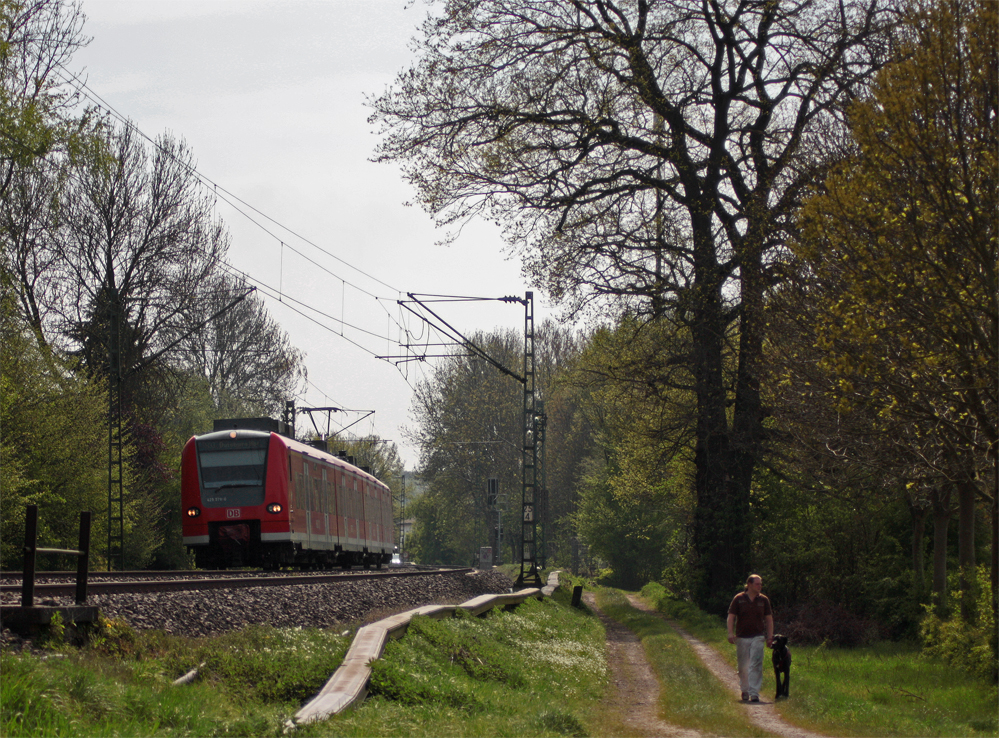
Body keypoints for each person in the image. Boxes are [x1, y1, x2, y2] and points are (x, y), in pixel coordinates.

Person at [726, 574, 773, 703]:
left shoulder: (763, 600)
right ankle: (745, 690)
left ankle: (754, 693)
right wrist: (730, 633)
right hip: (742, 637)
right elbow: (731, 616)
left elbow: (768, 619)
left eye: (761, 584)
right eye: (757, 584)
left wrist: (770, 636)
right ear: (749, 584)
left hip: (758, 636)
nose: (760, 586)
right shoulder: (739, 599)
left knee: (756, 664)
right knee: (743, 666)